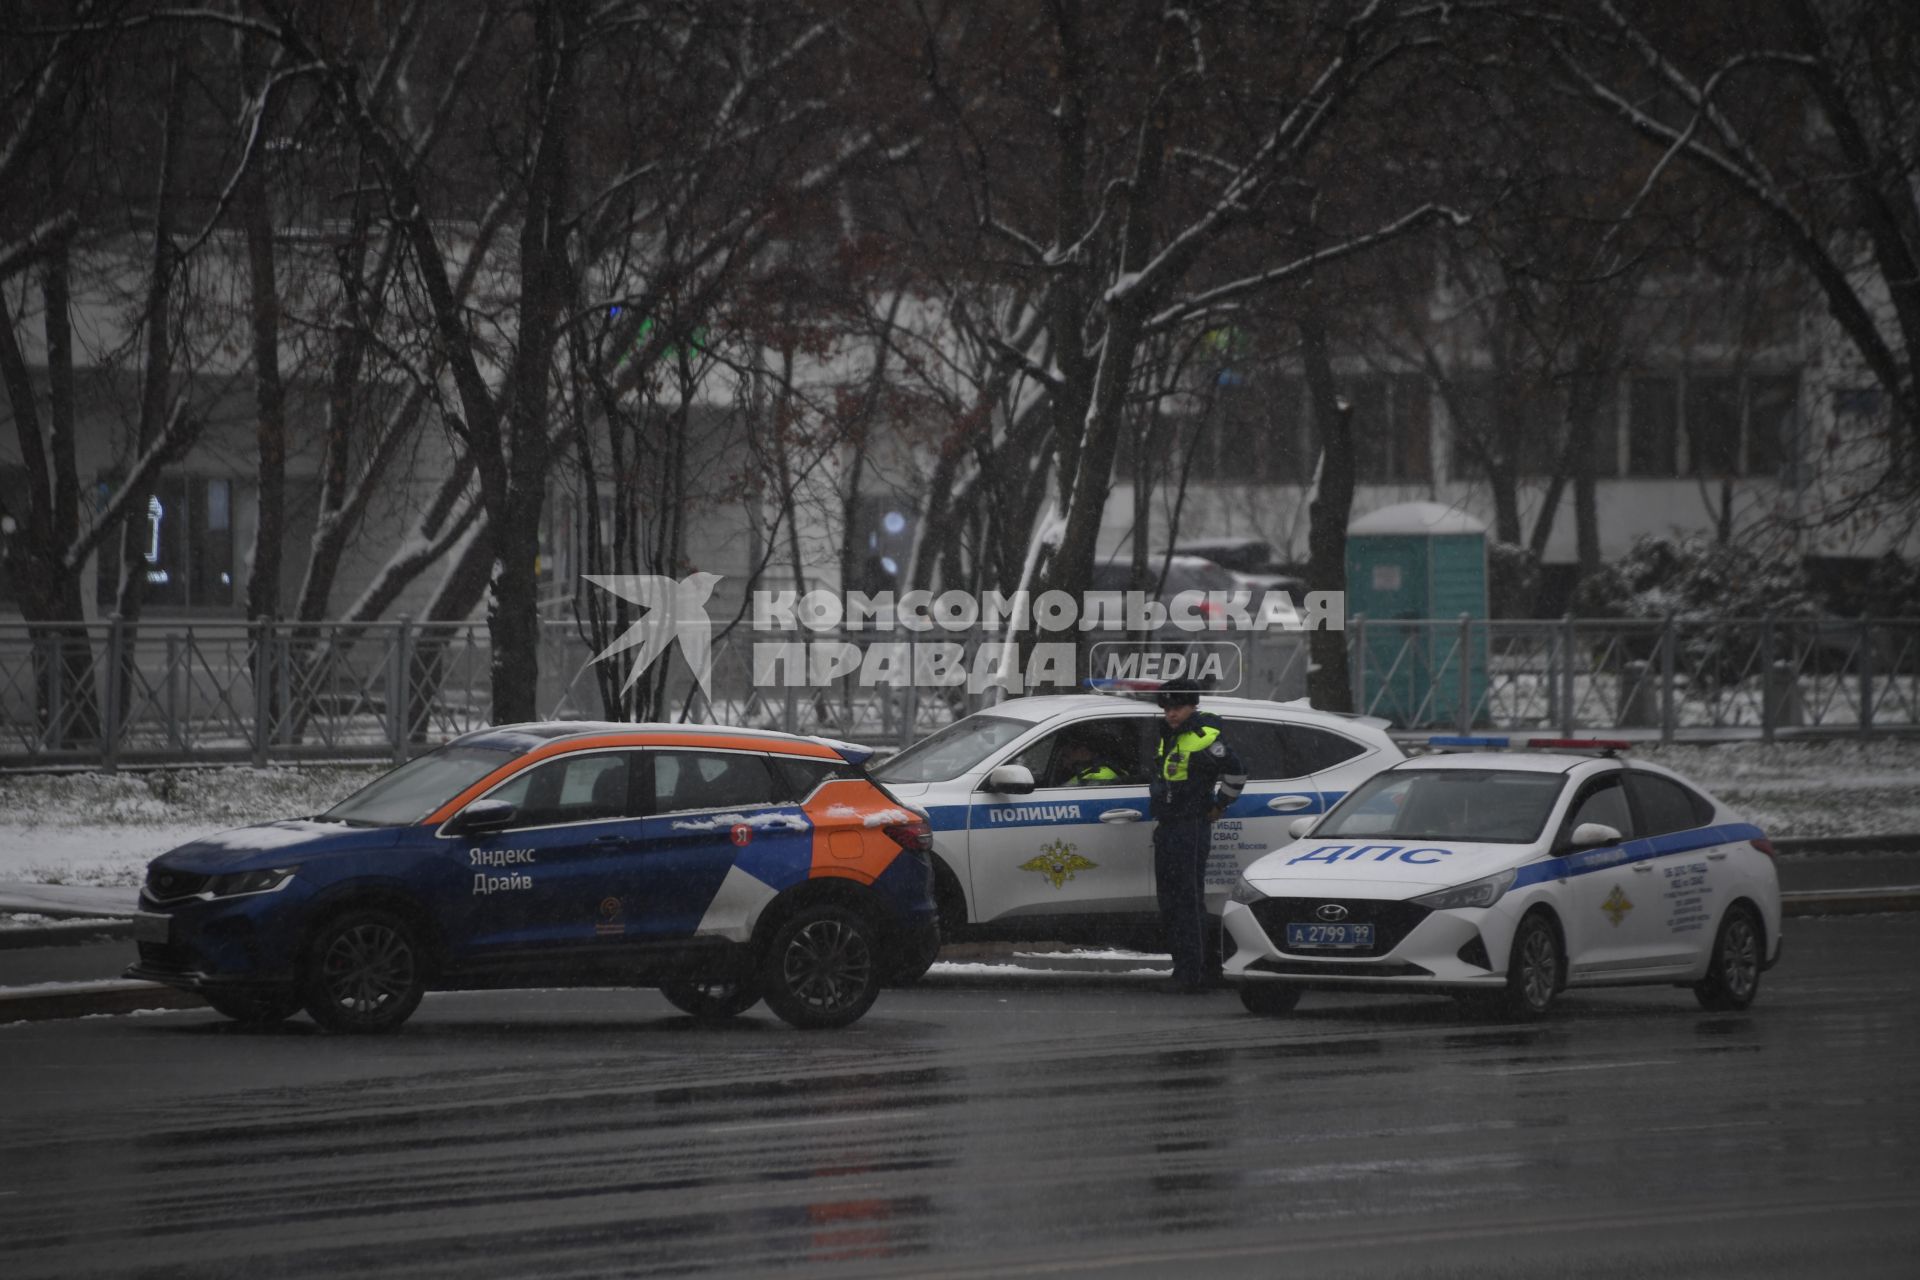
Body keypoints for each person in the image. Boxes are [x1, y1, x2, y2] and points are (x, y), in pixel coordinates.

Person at [1147, 677, 1246, 993]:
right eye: (1167, 709)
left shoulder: (1205, 738)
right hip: (1169, 825)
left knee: (1188, 901)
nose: (1171, 714)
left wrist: (1220, 805)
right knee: (1170, 901)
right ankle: (1184, 967)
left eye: (1177, 708)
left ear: (1192, 707)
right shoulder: (1170, 736)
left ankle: (1194, 972)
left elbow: (1237, 771)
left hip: (1190, 827)